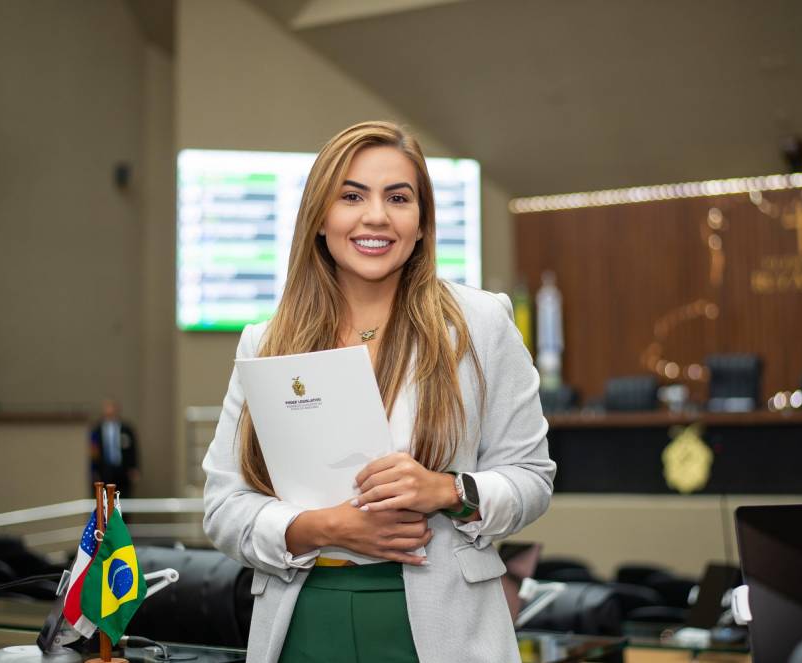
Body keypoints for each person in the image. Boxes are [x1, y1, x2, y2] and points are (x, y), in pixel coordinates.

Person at [202, 121, 555, 663]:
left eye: (398, 197)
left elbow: (531, 479)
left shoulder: (481, 324)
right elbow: (224, 507)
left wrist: (448, 491)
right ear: (321, 218)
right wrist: (323, 528)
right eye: (351, 196)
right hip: (304, 620)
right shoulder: (267, 341)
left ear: (420, 223)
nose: (376, 216)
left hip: (441, 625)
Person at [89, 398, 140, 497]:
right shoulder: (97, 430)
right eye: (107, 407)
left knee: (123, 500)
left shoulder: (126, 429)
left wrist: (134, 467)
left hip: (122, 471)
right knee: (105, 501)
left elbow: (133, 449)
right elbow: (93, 452)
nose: (109, 410)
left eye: (112, 407)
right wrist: (94, 470)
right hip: (104, 471)